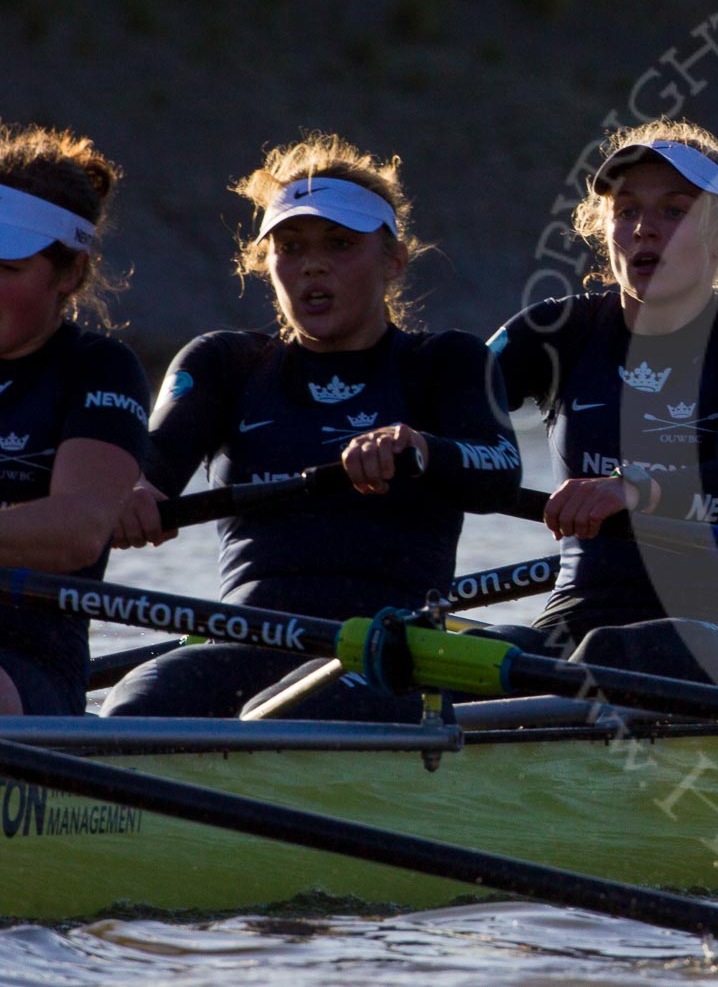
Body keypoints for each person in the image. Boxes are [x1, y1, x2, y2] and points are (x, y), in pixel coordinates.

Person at [102, 132, 522, 717]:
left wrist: (422, 449)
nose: (312, 264)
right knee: (131, 709)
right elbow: (150, 464)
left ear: (394, 260)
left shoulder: (446, 362)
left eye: (340, 244)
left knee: (296, 711)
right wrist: (133, 494)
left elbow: (501, 471)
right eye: (291, 246)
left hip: (388, 651)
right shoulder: (224, 363)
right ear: (265, 263)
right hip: (250, 639)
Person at [486, 119, 718, 692]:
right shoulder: (559, 331)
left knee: (604, 654)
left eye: (674, 212)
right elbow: (444, 402)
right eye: (626, 210)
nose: (643, 230)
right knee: (483, 655)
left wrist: (632, 488)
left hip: (716, 626)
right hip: (576, 612)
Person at [0, 125, 149, 716]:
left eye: (6, 270)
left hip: (26, 658)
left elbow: (81, 528)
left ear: (69, 274)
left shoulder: (98, 369)